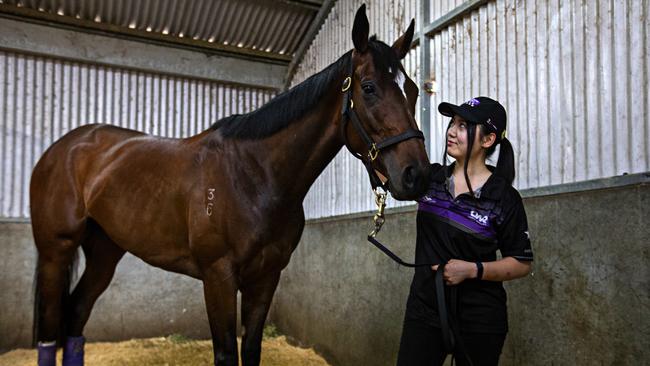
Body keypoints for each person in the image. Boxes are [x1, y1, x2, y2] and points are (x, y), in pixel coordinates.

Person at [396, 97, 534, 366]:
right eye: (452, 123)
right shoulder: (432, 179)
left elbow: (521, 263)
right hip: (425, 311)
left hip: (480, 319)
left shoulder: (504, 198)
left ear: (488, 140)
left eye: (463, 125)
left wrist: (472, 270)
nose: (451, 131)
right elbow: (388, 172)